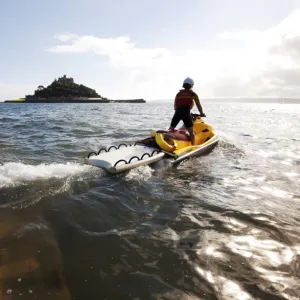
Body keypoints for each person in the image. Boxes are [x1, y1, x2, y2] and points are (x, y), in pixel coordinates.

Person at [168, 77, 206, 145]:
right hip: (186, 113)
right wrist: (202, 113)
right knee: (191, 132)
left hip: (177, 113)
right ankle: (193, 147)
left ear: (184, 85)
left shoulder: (178, 94)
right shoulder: (193, 94)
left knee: (170, 129)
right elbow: (198, 105)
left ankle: (166, 142)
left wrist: (178, 111)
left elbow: (175, 105)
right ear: (191, 85)